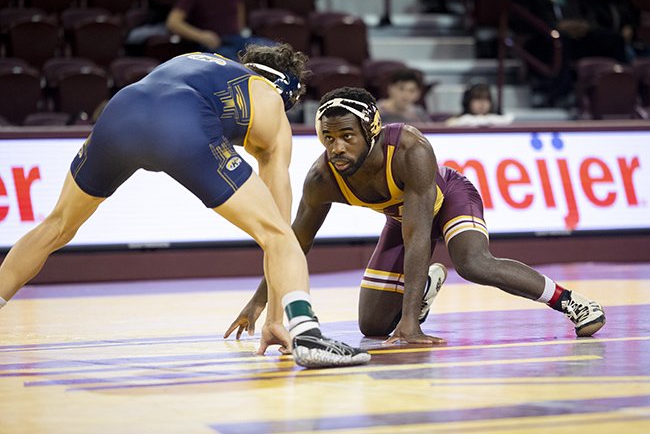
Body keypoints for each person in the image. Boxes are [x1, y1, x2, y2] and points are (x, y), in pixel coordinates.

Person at [0, 44, 370, 369]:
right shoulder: (270, 100)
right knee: (278, 235)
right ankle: (306, 334)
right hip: (182, 122)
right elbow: (280, 230)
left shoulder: (202, 64)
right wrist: (275, 317)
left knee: (57, 226)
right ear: (286, 92)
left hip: (121, 110)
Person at [227, 87, 606, 344]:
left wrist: (410, 323)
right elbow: (293, 243)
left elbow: (419, 237)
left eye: (347, 136)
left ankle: (571, 301)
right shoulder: (321, 177)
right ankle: (422, 290)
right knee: (373, 326)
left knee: (474, 263)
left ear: (371, 131)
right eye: (328, 137)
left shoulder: (410, 149)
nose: (336, 147)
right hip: (403, 218)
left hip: (448, 200)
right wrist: (260, 302)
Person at [511, 0, 626, 106]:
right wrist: (556, 26)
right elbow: (526, 22)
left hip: (576, 36)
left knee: (613, 39)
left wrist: (585, 25)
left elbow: (586, 10)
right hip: (544, 40)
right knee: (561, 41)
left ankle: (619, 86)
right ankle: (561, 94)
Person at [446, 83, 514, 126]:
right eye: (477, 99)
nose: (482, 104)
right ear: (468, 102)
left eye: (486, 99)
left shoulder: (503, 120)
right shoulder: (456, 122)